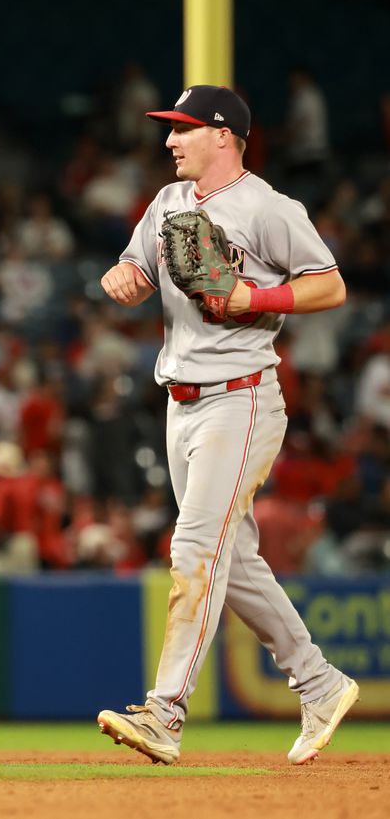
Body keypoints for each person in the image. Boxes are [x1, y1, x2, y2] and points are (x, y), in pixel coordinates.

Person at [97, 85, 358, 765]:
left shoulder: (268, 208)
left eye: (182, 129)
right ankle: (320, 681)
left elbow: (329, 283)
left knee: (195, 550)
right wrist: (124, 275)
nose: (169, 140)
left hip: (241, 399)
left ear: (223, 135)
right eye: (169, 128)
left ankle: (165, 712)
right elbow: (137, 264)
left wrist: (256, 295)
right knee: (232, 558)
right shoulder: (167, 203)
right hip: (179, 401)